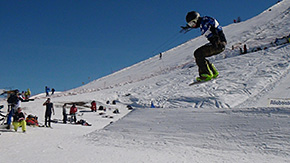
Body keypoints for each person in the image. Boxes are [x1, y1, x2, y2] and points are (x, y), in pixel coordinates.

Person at [181, 11, 227, 82]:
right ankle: (213, 72)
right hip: (218, 42)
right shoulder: (203, 21)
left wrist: (216, 39)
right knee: (200, 54)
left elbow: (213, 26)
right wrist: (187, 27)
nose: (192, 26)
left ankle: (206, 74)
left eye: (192, 23)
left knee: (198, 53)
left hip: (218, 43)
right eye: (190, 24)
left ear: (196, 20)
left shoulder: (205, 22)